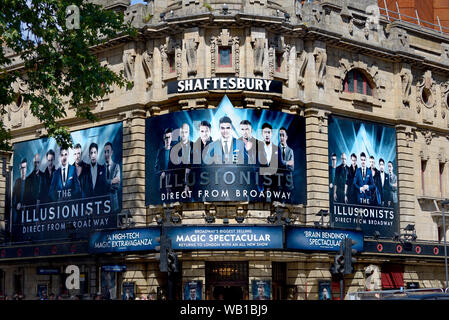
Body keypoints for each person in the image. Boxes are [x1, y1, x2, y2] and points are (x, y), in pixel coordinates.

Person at [104, 142, 121, 212]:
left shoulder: (116, 166)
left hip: (114, 203)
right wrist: (111, 181)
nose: (106, 154)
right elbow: (100, 184)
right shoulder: (101, 168)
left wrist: (106, 182)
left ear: (112, 152)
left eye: (108, 151)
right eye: (105, 152)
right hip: (103, 204)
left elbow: (117, 185)